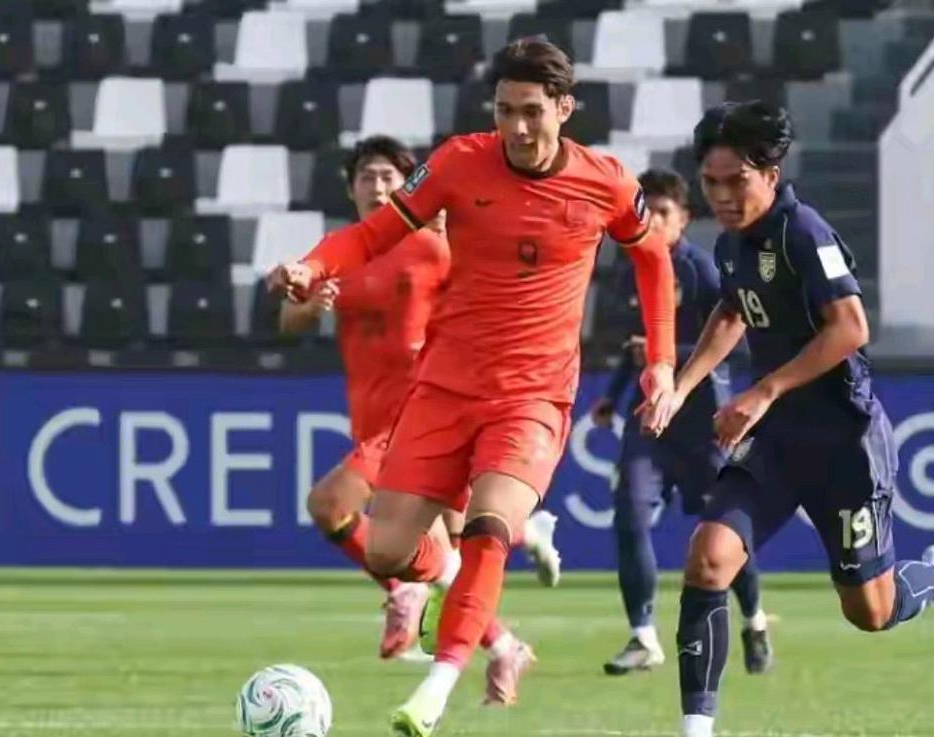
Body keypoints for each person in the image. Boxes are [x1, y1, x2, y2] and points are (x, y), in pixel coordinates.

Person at [268, 38, 678, 737]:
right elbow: (370, 236)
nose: (516, 127)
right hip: (445, 387)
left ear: (565, 108)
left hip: (533, 393)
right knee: (387, 551)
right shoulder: (460, 162)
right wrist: (310, 267)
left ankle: (438, 684)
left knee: (489, 527)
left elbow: (653, 258)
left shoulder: (605, 182)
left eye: (531, 111)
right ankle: (452, 592)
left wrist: (661, 361)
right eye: (504, 110)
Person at [647, 101, 934, 737]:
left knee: (871, 612)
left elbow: (851, 328)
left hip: (844, 445)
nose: (722, 196)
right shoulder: (731, 243)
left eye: (735, 181)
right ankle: (696, 731)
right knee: (708, 558)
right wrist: (680, 386)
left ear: (770, 175)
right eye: (710, 183)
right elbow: (732, 311)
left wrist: (764, 390)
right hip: (775, 444)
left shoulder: (804, 232)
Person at [277, 136, 558, 703]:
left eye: (388, 177)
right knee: (444, 556)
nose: (377, 187)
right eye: (366, 177)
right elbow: (288, 320)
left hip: (420, 415)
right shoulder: (344, 252)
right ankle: (505, 643)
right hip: (372, 416)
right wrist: (306, 307)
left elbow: (488, 295)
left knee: (330, 505)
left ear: (406, 185)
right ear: (351, 188)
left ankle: (405, 592)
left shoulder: (433, 245)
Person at [592, 169, 772, 677]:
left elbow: (736, 339)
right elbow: (638, 346)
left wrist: (676, 351)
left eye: (663, 212)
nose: (652, 221)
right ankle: (643, 636)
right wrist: (612, 397)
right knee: (629, 516)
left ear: (685, 219)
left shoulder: (702, 272)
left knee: (723, 536)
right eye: (645, 211)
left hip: (703, 425)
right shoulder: (633, 267)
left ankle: (754, 620)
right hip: (650, 421)